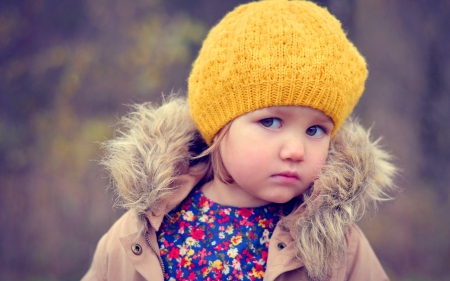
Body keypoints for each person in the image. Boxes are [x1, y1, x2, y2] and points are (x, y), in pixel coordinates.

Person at [82, 0, 397, 280]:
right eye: (270, 121)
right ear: (219, 127)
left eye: (315, 131)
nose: (296, 150)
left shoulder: (336, 244)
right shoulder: (143, 231)